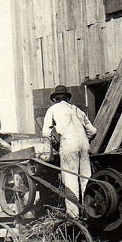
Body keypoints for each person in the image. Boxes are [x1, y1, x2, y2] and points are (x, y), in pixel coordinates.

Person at [42, 85, 97, 218]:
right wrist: (85, 140)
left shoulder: (53, 109)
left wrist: (55, 144)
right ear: (67, 98)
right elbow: (93, 131)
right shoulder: (78, 110)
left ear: (55, 99)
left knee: (71, 179)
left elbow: (45, 133)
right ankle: (90, 213)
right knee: (86, 179)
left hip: (68, 144)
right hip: (84, 145)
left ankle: (74, 216)